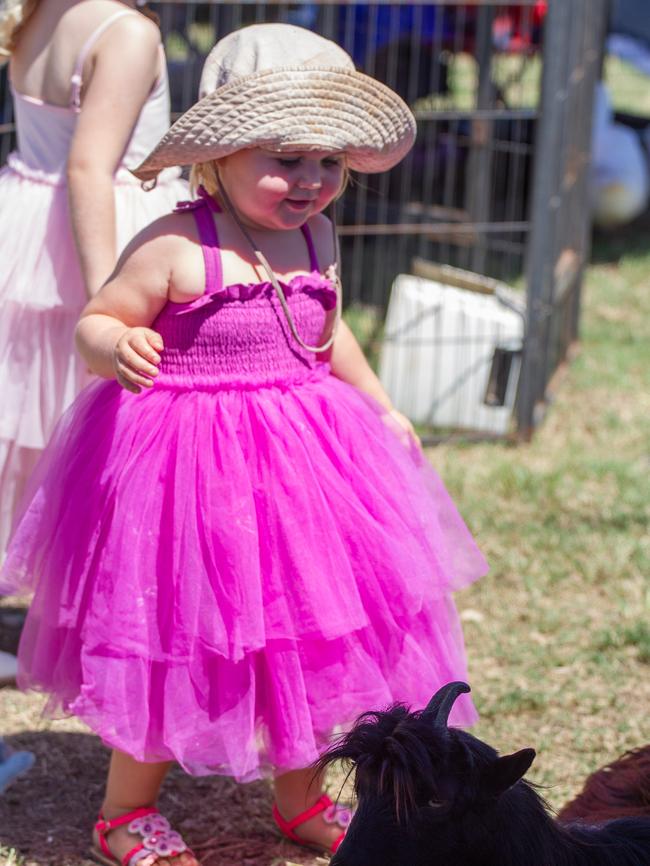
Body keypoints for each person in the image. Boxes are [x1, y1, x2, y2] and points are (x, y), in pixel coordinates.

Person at [0, 23, 489, 864]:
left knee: (305, 640)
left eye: (329, 163)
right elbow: (97, 319)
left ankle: (299, 798)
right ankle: (126, 811)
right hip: (190, 480)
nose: (310, 182)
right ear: (218, 154)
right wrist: (113, 346)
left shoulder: (316, 240)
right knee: (178, 642)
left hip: (301, 473)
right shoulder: (175, 245)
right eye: (286, 159)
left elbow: (327, 333)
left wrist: (378, 404)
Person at [0, 0, 188, 557]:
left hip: (27, 227)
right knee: (96, 417)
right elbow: (88, 168)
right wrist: (107, 302)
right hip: (101, 232)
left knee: (32, 406)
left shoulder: (33, 14)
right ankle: (84, 576)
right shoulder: (127, 32)